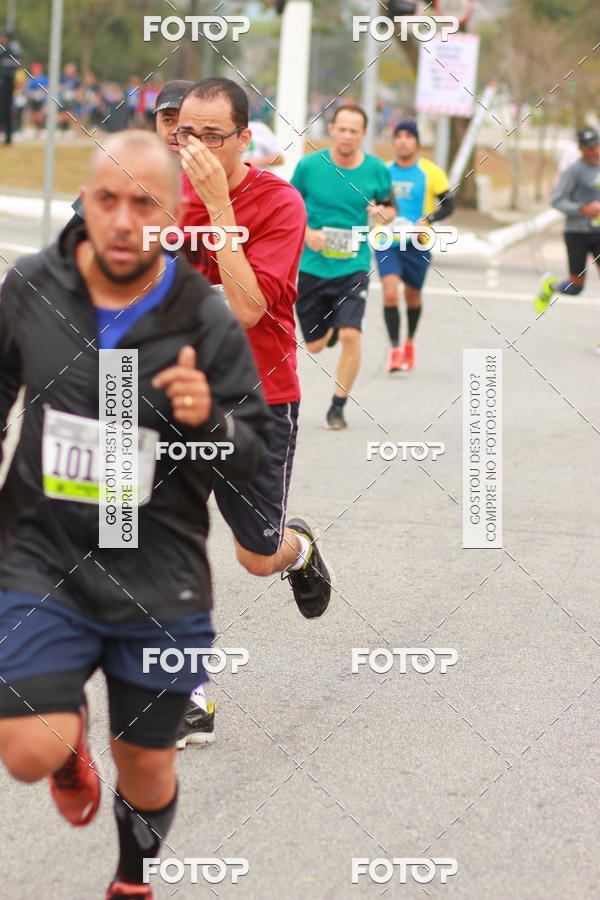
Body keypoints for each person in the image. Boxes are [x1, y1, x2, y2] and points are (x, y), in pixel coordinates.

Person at [0, 130, 270, 900]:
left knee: (146, 765)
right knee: (26, 748)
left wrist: (206, 417)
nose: (123, 221)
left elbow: (251, 451)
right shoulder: (31, 286)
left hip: (158, 570)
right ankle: (65, 752)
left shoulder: (203, 315)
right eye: (107, 199)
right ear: (84, 202)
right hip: (42, 551)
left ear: (175, 215)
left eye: (145, 204)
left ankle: (131, 878)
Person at [174, 77, 333, 746]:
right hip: (167, 397)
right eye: (185, 133)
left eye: (212, 136)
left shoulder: (279, 202)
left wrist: (216, 205)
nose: (196, 147)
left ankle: (298, 550)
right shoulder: (155, 192)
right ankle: (188, 691)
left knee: (256, 556)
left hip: (257, 400)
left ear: (244, 138)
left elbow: (245, 307)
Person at [290, 104, 396, 429]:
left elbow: (390, 207)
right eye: (342, 129)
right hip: (312, 265)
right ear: (332, 130)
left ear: (363, 134)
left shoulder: (376, 169)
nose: (347, 136)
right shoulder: (309, 166)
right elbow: (288, 208)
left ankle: (337, 406)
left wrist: (383, 214)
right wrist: (306, 233)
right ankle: (331, 327)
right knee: (315, 345)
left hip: (354, 264)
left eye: (354, 131)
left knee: (352, 335)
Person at [374, 120, 453, 373]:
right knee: (390, 292)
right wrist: (377, 210)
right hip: (386, 241)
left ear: (417, 142)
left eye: (409, 136)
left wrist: (428, 219)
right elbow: (376, 201)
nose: (403, 141)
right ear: (393, 141)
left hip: (418, 242)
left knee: (413, 297)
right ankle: (395, 350)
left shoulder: (431, 172)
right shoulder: (384, 171)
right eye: (399, 136)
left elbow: (449, 205)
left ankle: (409, 342)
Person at [68, 79, 193, 227]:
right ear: (156, 123)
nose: (176, 131)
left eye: (185, 122)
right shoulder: (124, 170)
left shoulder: (214, 183)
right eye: (168, 120)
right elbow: (74, 234)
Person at [534, 126, 600, 315]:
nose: (594, 150)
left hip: (598, 233)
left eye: (596, 145)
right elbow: (557, 201)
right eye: (589, 147)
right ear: (580, 148)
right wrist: (582, 209)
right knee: (575, 287)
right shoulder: (574, 171)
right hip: (576, 233)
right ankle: (549, 286)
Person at [0, 28, 21, 145]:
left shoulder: (8, 48)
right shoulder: (14, 47)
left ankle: (7, 135)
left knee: (5, 108)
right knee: (6, 108)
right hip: (9, 81)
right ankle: (7, 136)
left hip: (5, 81)